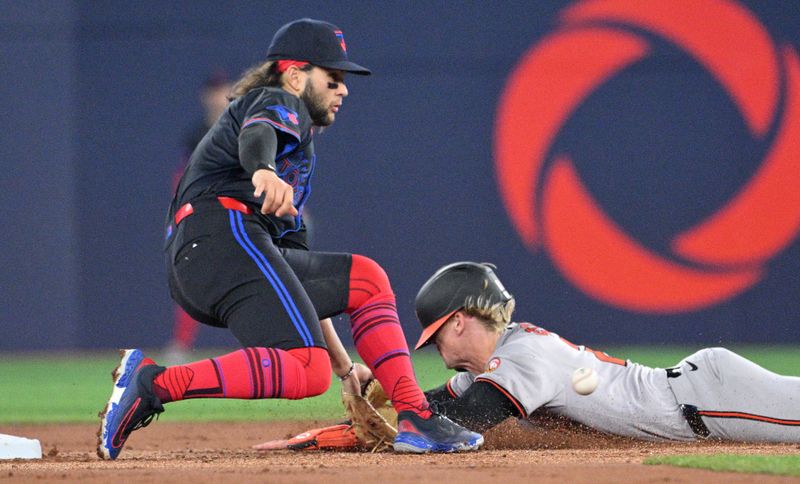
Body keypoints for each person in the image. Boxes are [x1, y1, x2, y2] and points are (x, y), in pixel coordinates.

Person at [97, 18, 483, 460]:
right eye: (333, 79)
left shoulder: (299, 158)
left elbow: (297, 285)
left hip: (220, 253)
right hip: (219, 236)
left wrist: (344, 368)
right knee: (306, 366)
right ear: (297, 74)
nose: (344, 90)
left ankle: (415, 415)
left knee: (363, 285)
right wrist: (262, 168)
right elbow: (258, 133)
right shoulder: (279, 99)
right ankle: (154, 383)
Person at [411, 261, 800, 442]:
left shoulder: (523, 356)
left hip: (707, 401)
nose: (433, 346)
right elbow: (429, 403)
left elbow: (466, 418)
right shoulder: (494, 365)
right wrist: (377, 387)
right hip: (697, 401)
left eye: (435, 334)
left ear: (458, 321)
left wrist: (389, 425)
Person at [163, 70, 233, 365]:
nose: (217, 95)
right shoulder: (197, 133)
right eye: (213, 90)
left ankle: (273, 343)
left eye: (222, 89)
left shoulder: (241, 125)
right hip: (203, 215)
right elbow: (182, 178)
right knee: (191, 278)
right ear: (206, 96)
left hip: (239, 212)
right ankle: (181, 345)